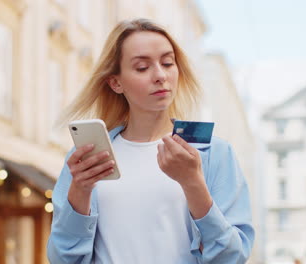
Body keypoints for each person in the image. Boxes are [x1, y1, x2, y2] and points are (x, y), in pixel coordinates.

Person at [47, 18, 254, 264]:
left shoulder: (214, 153)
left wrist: (193, 183)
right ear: (116, 82)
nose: (160, 75)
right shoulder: (88, 158)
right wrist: (80, 191)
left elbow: (231, 257)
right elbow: (62, 258)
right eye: (142, 67)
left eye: (168, 63)